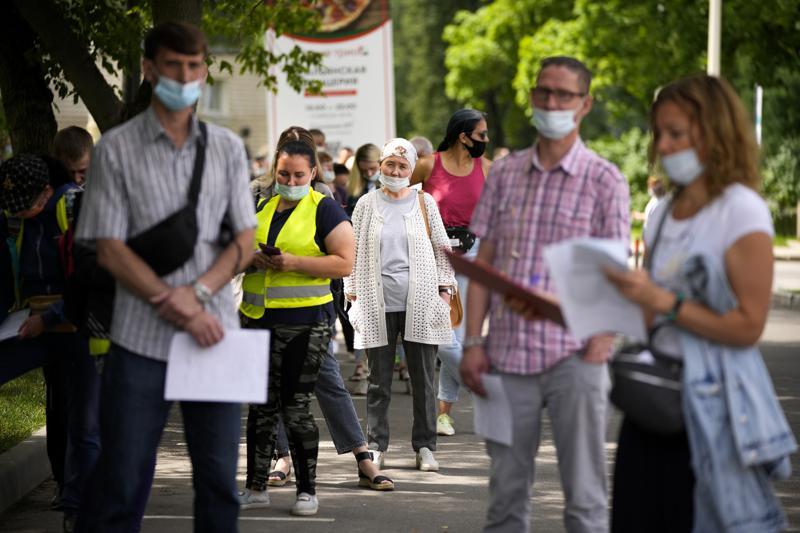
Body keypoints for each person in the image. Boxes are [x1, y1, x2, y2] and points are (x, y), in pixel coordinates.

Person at [74, 22, 256, 532]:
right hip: (138, 339)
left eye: (195, 66)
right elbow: (108, 248)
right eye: (174, 66)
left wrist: (197, 295)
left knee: (220, 485)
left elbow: (244, 241)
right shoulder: (114, 149)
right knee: (123, 481)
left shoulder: (225, 148)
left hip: (213, 332)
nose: (186, 75)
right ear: (150, 70)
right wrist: (169, 301)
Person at [605, 74, 796, 533]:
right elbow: (647, 315)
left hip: (710, 410)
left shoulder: (741, 209)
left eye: (677, 133)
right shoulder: (665, 213)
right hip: (650, 403)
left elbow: (749, 325)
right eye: (660, 133)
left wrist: (664, 302)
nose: (664, 146)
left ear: (715, 133)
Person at [460, 56, 630, 533]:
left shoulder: (605, 180)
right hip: (507, 358)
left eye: (564, 95)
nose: (552, 103)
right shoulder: (507, 173)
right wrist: (473, 342)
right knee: (507, 499)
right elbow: (484, 264)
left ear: (585, 105)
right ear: (532, 97)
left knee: (585, 499)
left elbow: (612, 273)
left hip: (576, 357)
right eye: (544, 93)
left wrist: (603, 336)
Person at [238, 126, 367, 516]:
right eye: (283, 175)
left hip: (306, 322)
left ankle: (307, 491)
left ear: (312, 172)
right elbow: (232, 252)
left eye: (297, 175)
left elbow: (345, 261)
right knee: (260, 408)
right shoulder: (259, 206)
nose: (289, 181)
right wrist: (251, 258)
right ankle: (255, 485)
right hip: (257, 319)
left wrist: (292, 262)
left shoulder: (322, 207)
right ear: (273, 172)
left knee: (295, 407)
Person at [345, 138, 456, 472]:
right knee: (379, 382)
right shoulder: (366, 204)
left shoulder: (424, 203)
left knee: (423, 379)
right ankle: (377, 446)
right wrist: (352, 291)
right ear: (380, 166)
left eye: (402, 165)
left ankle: (425, 447)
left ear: (411, 169)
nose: (395, 171)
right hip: (378, 303)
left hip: (420, 301)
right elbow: (352, 249)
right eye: (389, 164)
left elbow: (441, 250)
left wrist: (444, 293)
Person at [0, 154, 94, 530]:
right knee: (62, 412)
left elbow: (88, 282)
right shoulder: (20, 217)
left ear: (46, 192)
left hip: (77, 326)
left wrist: (49, 318)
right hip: (31, 322)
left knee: (83, 422)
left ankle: (78, 509)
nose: (19, 214)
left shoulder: (73, 209)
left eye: (25, 207)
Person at [411, 108, 491, 437]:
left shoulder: (486, 168)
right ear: (463, 135)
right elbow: (396, 189)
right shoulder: (430, 164)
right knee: (442, 334)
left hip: (472, 254)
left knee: (457, 334)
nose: (486, 140)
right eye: (482, 134)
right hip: (435, 256)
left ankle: (444, 414)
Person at [345, 143, 381, 215]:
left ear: (381, 163)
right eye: (363, 170)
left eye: (373, 168)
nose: (369, 174)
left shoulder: (391, 185)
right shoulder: (355, 188)